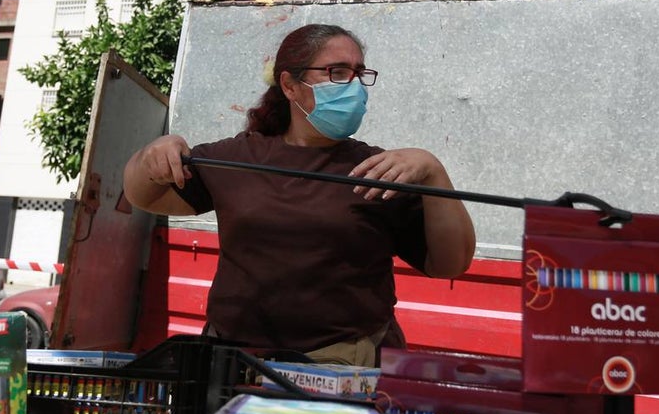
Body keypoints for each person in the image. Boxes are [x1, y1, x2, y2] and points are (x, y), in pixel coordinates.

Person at [124, 23, 475, 366]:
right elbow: (147, 197)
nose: (352, 85)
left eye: (358, 73)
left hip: (341, 370)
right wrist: (153, 154)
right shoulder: (237, 157)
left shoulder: (380, 169)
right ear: (290, 85)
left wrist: (434, 171)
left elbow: (449, 264)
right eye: (337, 72)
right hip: (232, 365)